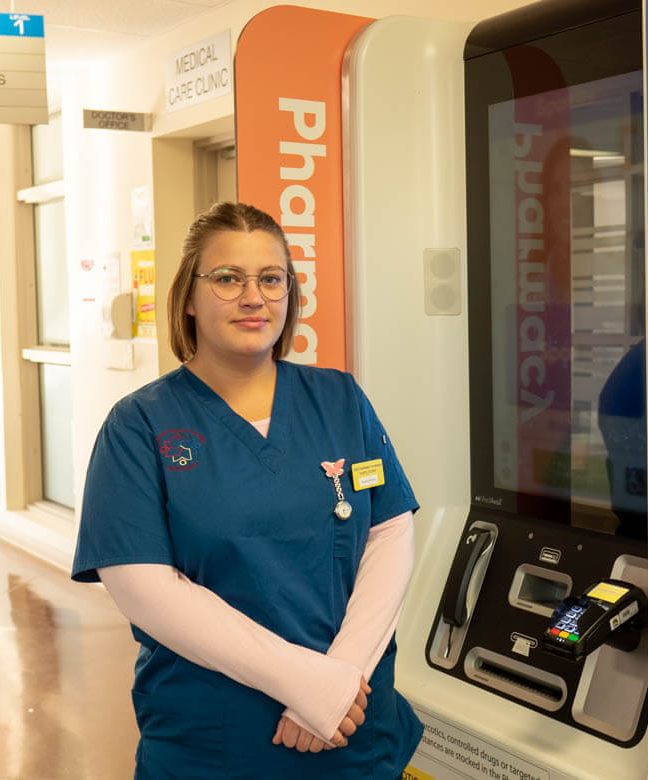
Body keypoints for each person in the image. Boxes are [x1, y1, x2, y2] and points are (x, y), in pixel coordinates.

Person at [71, 202, 422, 778]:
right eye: (228, 278)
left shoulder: (339, 399)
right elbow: (143, 587)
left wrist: (339, 681)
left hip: (349, 727)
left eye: (270, 278)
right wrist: (302, 682)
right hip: (217, 739)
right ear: (188, 296)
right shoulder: (139, 425)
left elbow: (389, 531)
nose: (253, 297)